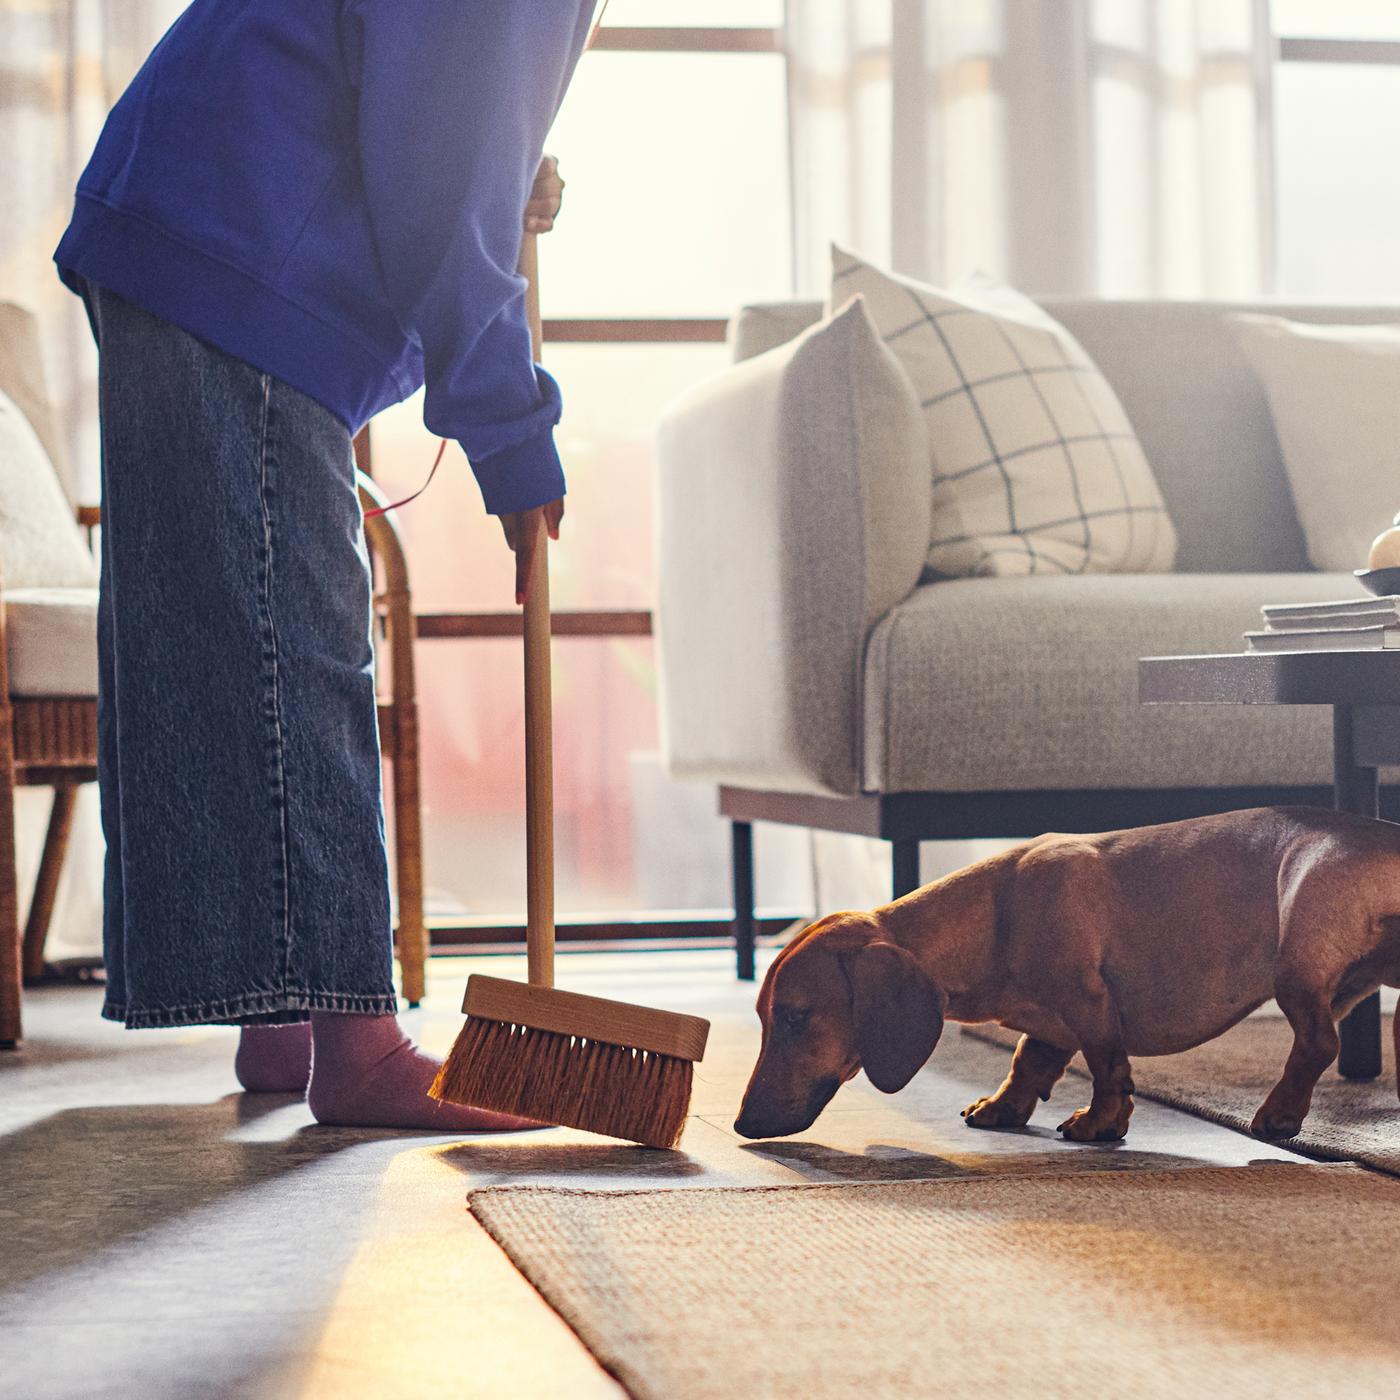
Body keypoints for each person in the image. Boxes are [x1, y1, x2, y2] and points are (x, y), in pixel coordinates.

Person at [52, 1, 599, 1129]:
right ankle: (355, 1044)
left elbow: (423, 118)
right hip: (237, 240)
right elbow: (443, 192)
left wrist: (502, 175)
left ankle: (282, 1015)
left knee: (229, 629)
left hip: (191, 221)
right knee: (291, 643)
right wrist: (510, 433)